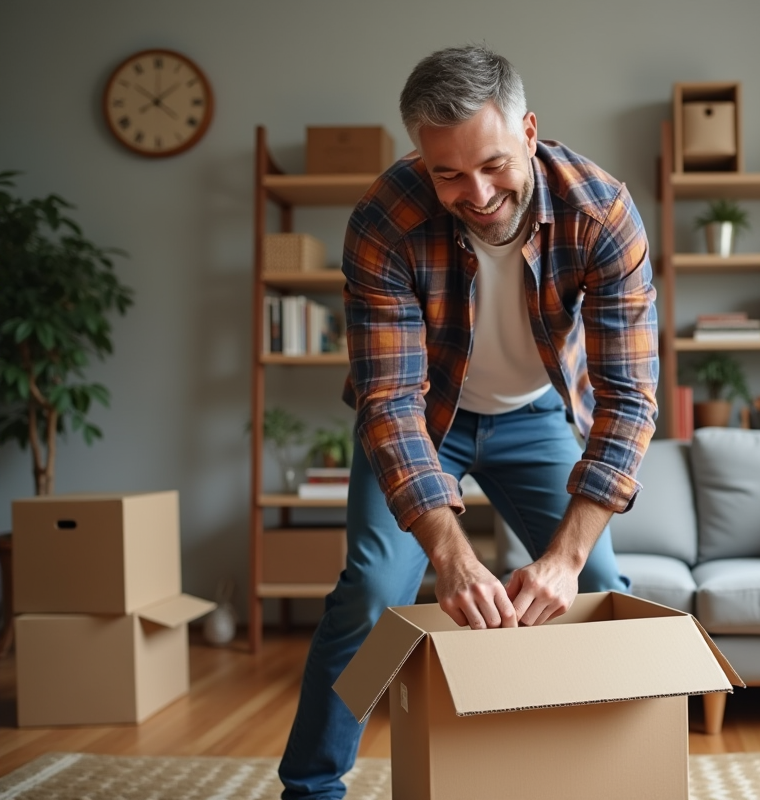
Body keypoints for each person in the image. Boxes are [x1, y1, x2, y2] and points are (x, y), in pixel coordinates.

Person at [278, 45, 659, 799]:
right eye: (447, 173)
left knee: (597, 587)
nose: (477, 193)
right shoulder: (384, 218)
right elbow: (389, 401)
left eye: (493, 164)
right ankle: (312, 789)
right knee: (371, 591)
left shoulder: (601, 213)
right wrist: (450, 558)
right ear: (421, 157)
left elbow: (629, 396)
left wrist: (564, 558)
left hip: (535, 414)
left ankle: (610, 781)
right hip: (423, 421)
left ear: (528, 132)